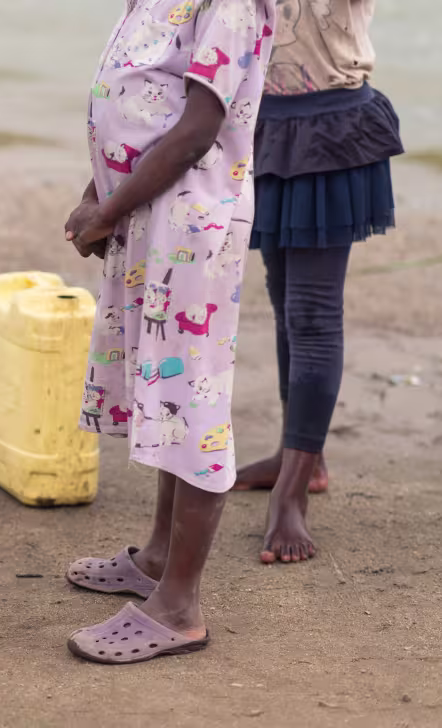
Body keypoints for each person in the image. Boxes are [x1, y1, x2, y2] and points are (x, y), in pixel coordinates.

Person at [62, 0, 275, 664]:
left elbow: (194, 130)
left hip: (193, 224)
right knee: (164, 386)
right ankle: (158, 554)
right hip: (147, 211)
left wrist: (111, 208)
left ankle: (180, 605)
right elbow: (138, 102)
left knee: (193, 399)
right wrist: (95, 194)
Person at [230, 0, 402, 565]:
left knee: (312, 312)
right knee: (283, 301)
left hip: (332, 128)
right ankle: (301, 456)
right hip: (266, 123)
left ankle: (291, 491)